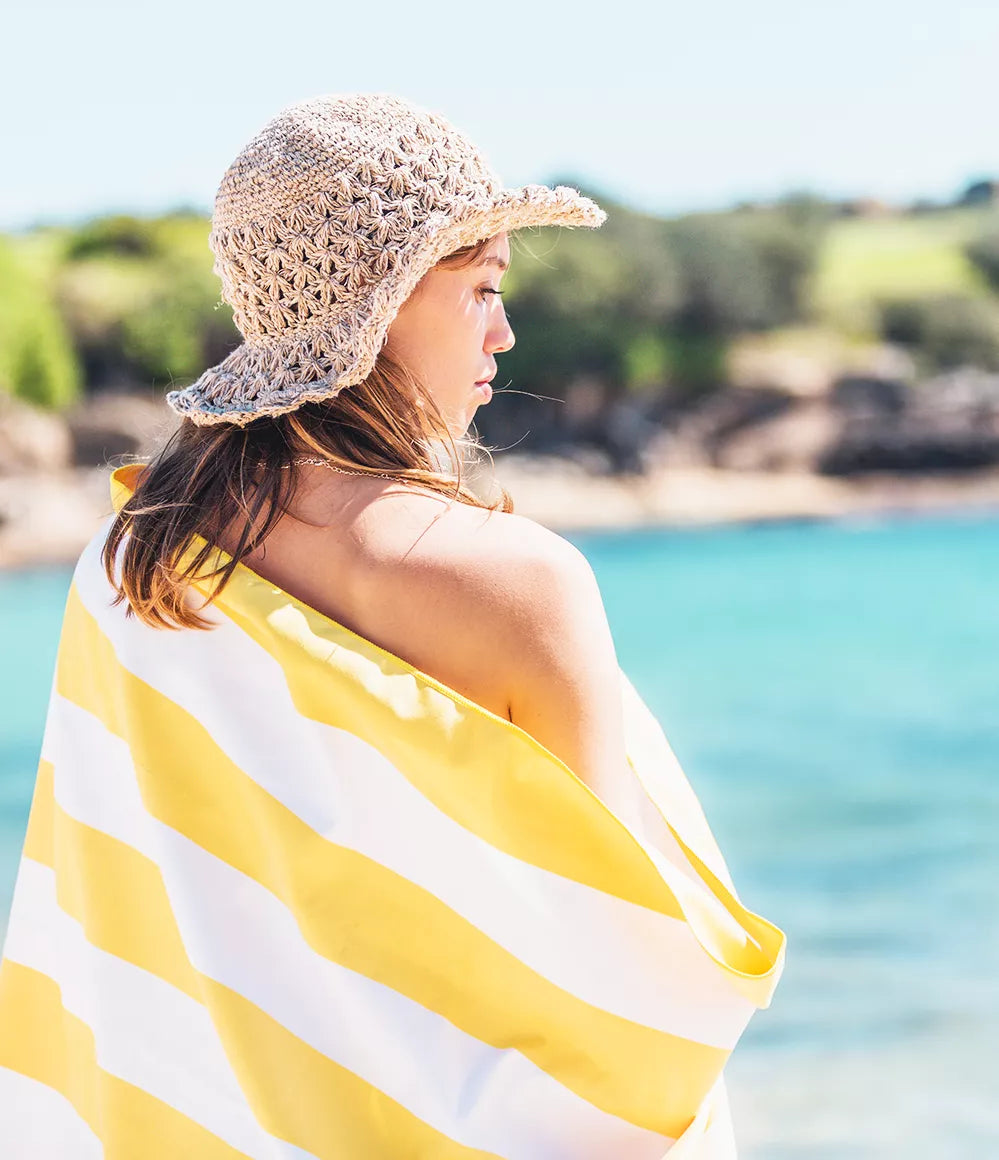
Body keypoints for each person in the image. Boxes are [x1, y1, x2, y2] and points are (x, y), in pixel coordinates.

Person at [0, 93, 785, 1157]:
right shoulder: (520, 586)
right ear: (378, 305)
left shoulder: (134, 563)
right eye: (481, 287)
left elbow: (101, 928)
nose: (505, 333)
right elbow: (625, 966)